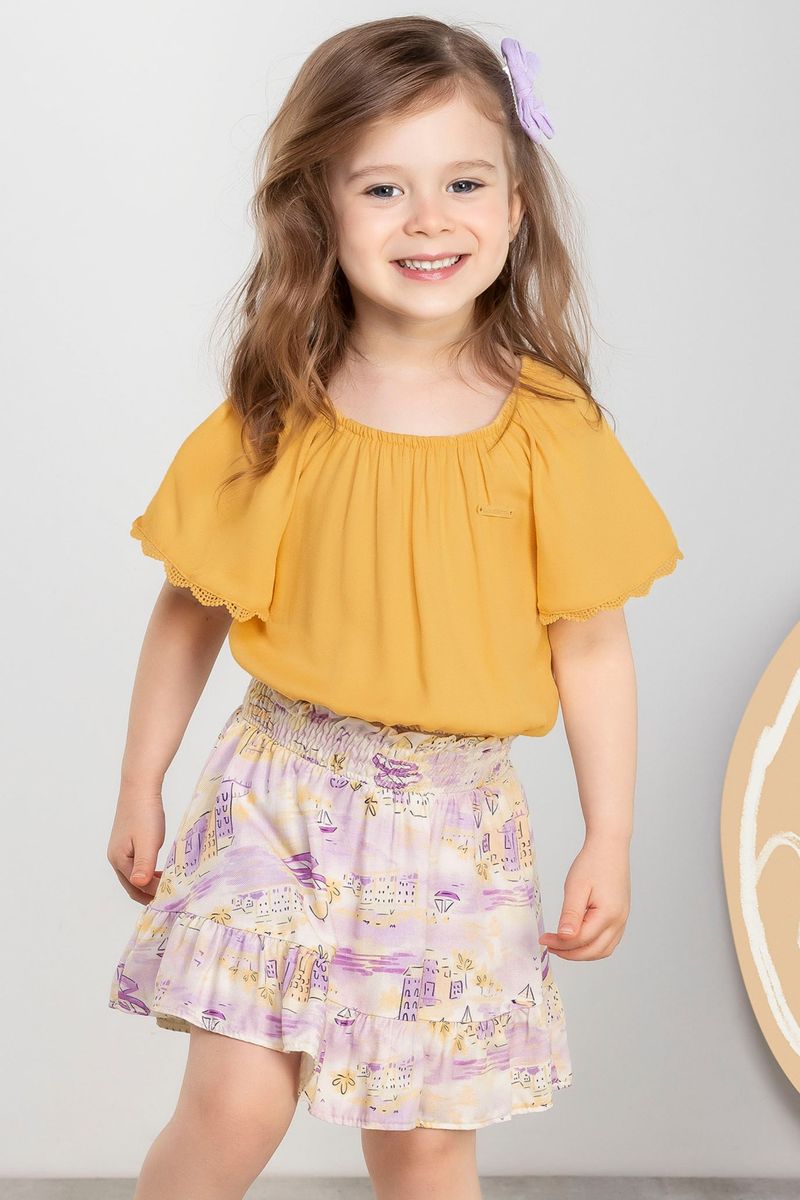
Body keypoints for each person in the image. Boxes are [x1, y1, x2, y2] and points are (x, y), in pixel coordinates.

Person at [106, 15, 684, 1200]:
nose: (428, 219)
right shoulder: (280, 410)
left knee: (421, 1143)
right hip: (278, 794)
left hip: (454, 829)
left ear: (514, 206)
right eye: (383, 188)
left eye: (463, 183)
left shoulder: (549, 430)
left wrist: (609, 835)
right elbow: (188, 609)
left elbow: (589, 647)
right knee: (233, 1104)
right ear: (319, 212)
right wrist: (139, 781)